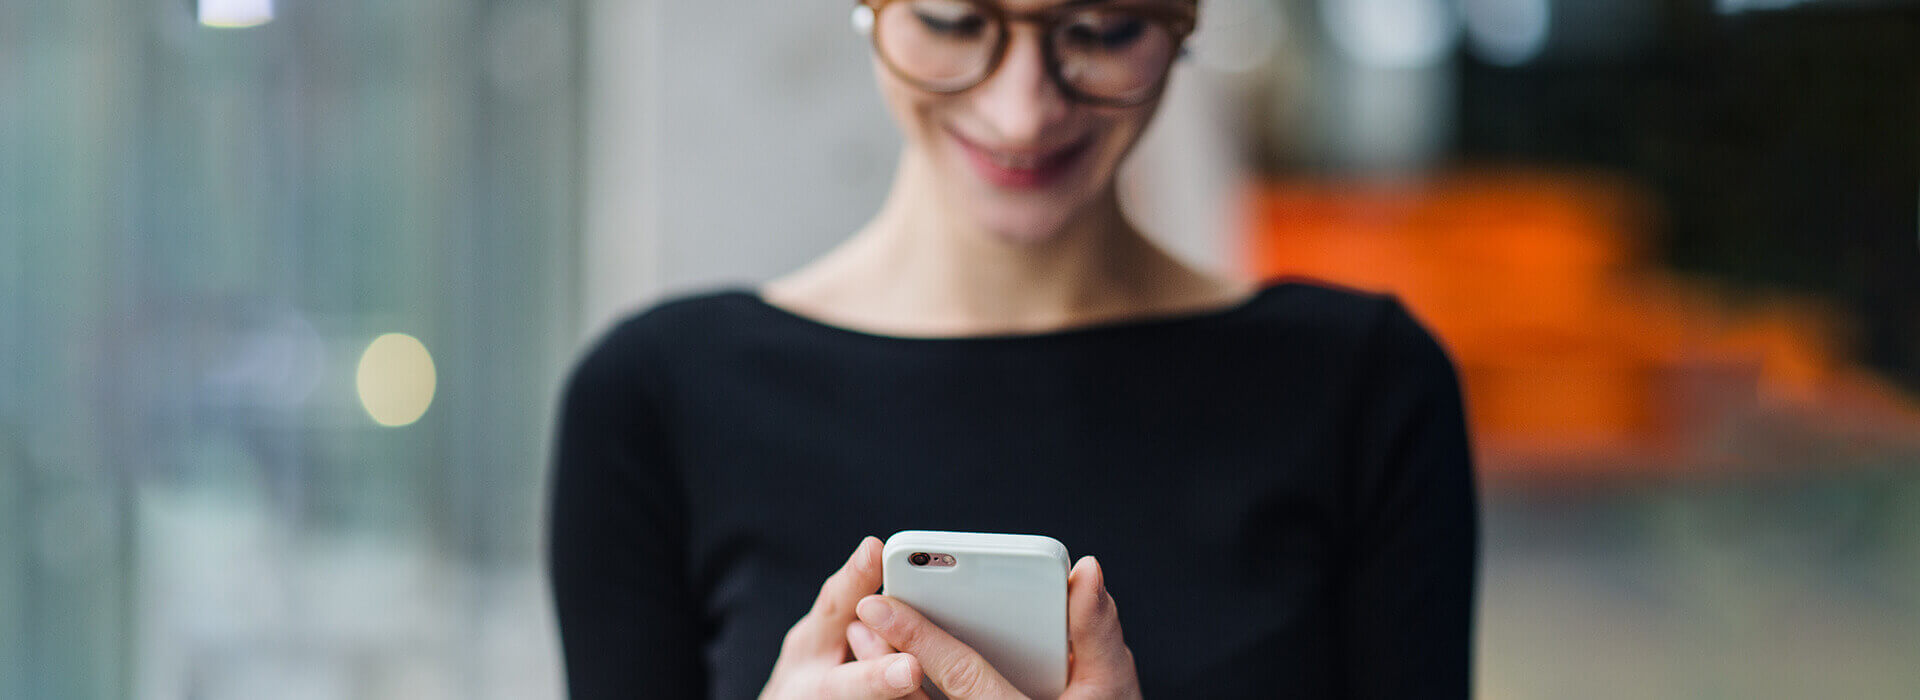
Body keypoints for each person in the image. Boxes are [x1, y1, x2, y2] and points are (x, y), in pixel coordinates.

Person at [547, 0, 1478, 698]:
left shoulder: (1365, 388)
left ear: (1185, 18)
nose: (1022, 110)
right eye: (955, 22)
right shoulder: (652, 399)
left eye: (1103, 29)